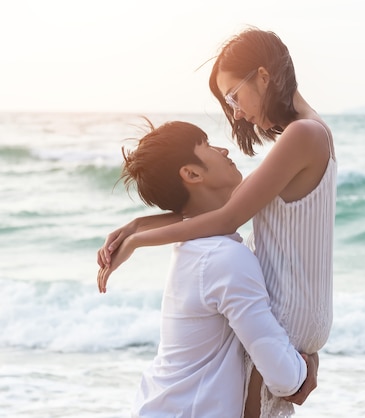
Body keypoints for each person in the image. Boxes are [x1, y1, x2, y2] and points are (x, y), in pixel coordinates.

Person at [97, 27, 336, 417]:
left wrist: (141, 240)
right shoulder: (305, 134)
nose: (236, 111)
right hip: (291, 316)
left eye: (234, 96)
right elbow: (217, 215)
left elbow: (226, 216)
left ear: (263, 76)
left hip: (288, 312)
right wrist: (140, 224)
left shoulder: (304, 135)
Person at [101, 119, 316, 417]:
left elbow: (217, 213)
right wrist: (309, 361)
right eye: (208, 146)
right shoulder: (225, 258)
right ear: (191, 173)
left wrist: (139, 226)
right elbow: (284, 378)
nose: (224, 150)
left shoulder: (197, 251)